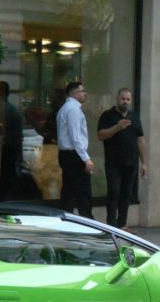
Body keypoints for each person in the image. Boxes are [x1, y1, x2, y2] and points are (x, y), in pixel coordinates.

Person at [96, 87, 147, 228]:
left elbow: (141, 140)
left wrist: (144, 163)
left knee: (126, 194)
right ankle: (111, 225)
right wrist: (117, 127)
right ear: (117, 99)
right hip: (113, 163)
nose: (125, 101)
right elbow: (100, 135)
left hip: (131, 163)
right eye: (123, 98)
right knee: (114, 191)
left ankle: (122, 225)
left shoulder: (135, 117)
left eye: (128, 99)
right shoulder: (107, 116)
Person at [56, 80, 93, 217]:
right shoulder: (73, 110)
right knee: (83, 192)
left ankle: (66, 219)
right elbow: (75, 137)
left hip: (67, 155)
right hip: (74, 155)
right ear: (75, 93)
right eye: (82, 91)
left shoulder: (65, 108)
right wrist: (86, 159)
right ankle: (88, 222)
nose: (85, 94)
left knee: (69, 192)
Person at [0, 81, 27, 201]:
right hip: (9, 152)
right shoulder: (14, 111)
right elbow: (18, 137)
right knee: (6, 184)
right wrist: (19, 159)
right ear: (8, 93)